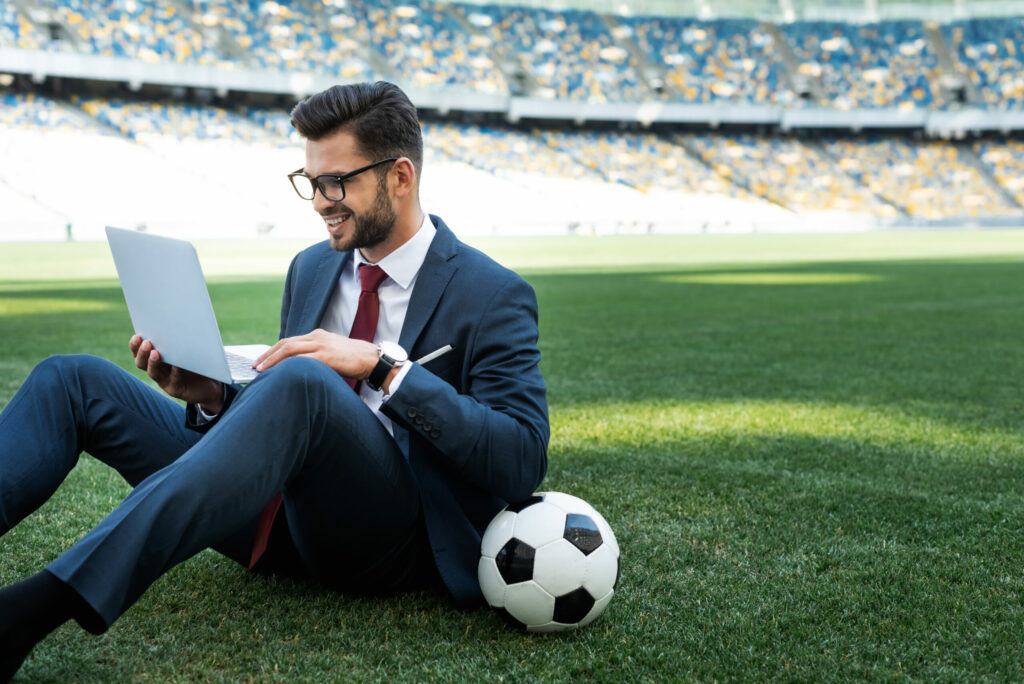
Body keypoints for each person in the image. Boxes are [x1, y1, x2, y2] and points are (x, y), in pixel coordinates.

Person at [0, 81, 549, 680]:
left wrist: (384, 368)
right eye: (310, 182)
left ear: (400, 177)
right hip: (275, 516)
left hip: (382, 540)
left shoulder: (492, 294)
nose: (318, 202)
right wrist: (210, 399)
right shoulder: (312, 266)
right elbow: (281, 423)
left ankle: (29, 613)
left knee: (305, 383)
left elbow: (520, 459)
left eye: (336, 182)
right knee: (73, 379)